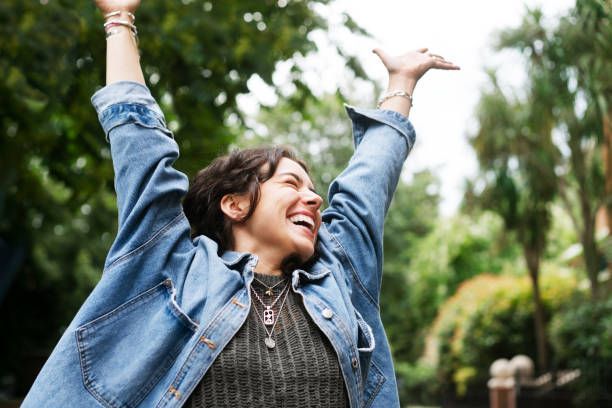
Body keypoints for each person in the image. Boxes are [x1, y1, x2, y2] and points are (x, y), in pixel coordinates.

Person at [22, 0, 459, 407]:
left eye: (313, 190)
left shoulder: (338, 274)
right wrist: (119, 20)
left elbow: (367, 186)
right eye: (291, 182)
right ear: (234, 204)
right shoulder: (171, 268)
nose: (314, 197)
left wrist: (401, 83)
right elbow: (141, 146)